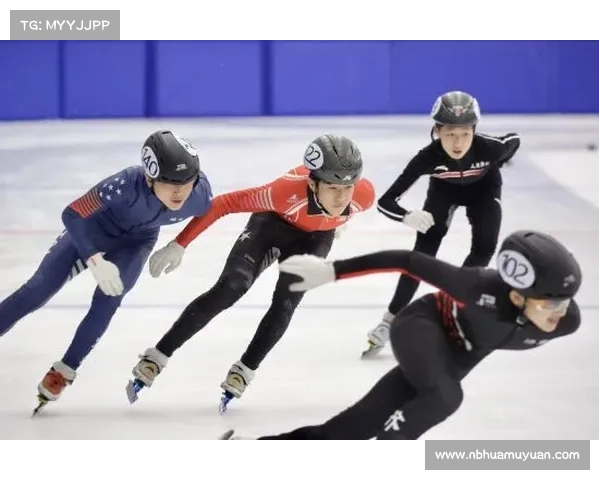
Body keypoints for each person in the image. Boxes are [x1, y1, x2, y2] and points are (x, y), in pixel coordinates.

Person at [220, 229, 582, 439]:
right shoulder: (478, 287)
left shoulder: (566, 322)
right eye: (551, 304)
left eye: (565, 302)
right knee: (446, 396)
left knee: (351, 429)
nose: (560, 313)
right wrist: (333, 270)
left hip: (451, 360)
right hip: (422, 326)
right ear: (517, 296)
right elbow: (408, 261)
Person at [126, 134, 375, 412]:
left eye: (348, 187)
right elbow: (222, 204)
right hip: (271, 225)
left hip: (314, 239)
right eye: (332, 187)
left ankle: (245, 369)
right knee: (230, 288)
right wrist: (179, 243)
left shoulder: (364, 196)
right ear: (312, 183)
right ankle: (158, 356)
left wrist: (335, 221)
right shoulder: (282, 193)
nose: (342, 197)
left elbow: (346, 202)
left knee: (286, 303)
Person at [0, 130, 213, 414]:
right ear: (150, 178)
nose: (180, 192)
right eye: (171, 183)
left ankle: (65, 370)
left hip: (136, 243)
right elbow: (73, 213)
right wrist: (93, 258)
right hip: (91, 232)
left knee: (108, 301)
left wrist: (179, 244)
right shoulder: (125, 185)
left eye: (187, 182)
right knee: (37, 290)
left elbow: (213, 209)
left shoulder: (199, 194)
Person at [364, 90, 521, 357]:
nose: (457, 142)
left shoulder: (490, 148)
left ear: (474, 130)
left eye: (465, 134)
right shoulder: (428, 157)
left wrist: (502, 160)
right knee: (421, 256)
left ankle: (450, 310)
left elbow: (514, 140)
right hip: (444, 193)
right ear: (437, 131)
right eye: (449, 134)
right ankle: (388, 322)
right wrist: (407, 216)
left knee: (484, 248)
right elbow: (385, 201)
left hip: (484, 190)